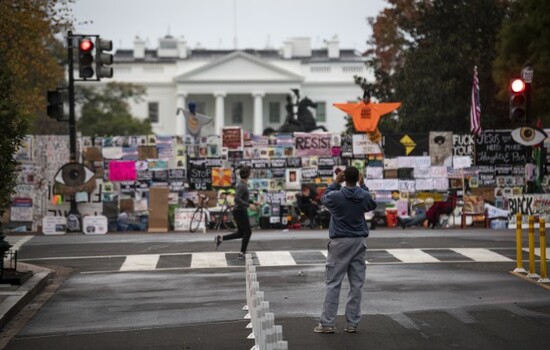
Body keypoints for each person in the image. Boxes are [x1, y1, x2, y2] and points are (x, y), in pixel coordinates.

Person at [314, 166, 377, 334]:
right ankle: (352, 323)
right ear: (357, 178)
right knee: (356, 284)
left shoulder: (336, 196)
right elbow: (371, 203)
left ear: (344, 177)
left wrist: (335, 182)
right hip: (358, 241)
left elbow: (324, 198)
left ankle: (327, 323)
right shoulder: (363, 195)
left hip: (340, 241)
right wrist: (362, 186)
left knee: (333, 283)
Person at [215, 167, 255, 259]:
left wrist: (252, 203)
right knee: (248, 232)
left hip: (239, 211)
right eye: (250, 172)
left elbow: (242, 198)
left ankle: (220, 239)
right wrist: (249, 205)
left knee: (241, 233)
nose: (251, 174)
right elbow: (237, 198)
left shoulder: (242, 184)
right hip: (240, 211)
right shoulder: (242, 185)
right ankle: (242, 253)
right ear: (248, 174)